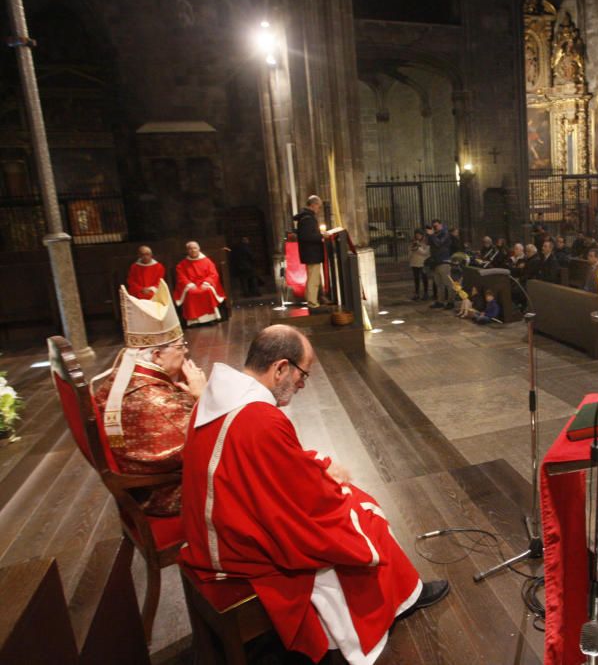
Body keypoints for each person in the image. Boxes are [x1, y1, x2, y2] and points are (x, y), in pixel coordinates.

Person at [180, 325, 449, 665]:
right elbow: (301, 505)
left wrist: (318, 465)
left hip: (214, 530)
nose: (303, 385)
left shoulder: (219, 397)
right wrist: (335, 489)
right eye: (303, 374)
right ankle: (399, 602)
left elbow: (263, 468)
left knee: (344, 493)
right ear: (280, 368)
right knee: (361, 513)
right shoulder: (260, 418)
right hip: (241, 553)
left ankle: (407, 593)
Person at [93, 280, 206, 516]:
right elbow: (202, 447)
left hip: (148, 480)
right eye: (180, 346)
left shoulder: (126, 373)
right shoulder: (153, 401)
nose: (186, 351)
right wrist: (202, 397)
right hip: (167, 491)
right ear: (156, 355)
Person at [174, 241, 226, 325]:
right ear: (187, 251)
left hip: (205, 284)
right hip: (191, 286)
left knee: (207, 291)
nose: (193, 250)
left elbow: (213, 274)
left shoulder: (207, 261)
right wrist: (189, 285)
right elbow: (181, 277)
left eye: (195, 248)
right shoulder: (182, 264)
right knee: (191, 293)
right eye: (190, 249)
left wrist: (207, 283)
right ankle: (194, 321)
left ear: (199, 249)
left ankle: (211, 318)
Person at [294, 195, 325, 308]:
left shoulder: (306, 217)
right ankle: (312, 303)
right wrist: (321, 237)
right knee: (313, 279)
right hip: (312, 253)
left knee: (312, 277)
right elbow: (307, 236)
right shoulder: (307, 218)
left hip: (310, 252)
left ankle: (310, 298)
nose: (319, 209)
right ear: (313, 205)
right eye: (319, 207)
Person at [427, 220, 454, 309]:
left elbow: (439, 243)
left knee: (448, 283)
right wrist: (430, 235)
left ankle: (451, 302)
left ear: (441, 225)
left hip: (444, 261)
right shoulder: (435, 235)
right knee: (439, 284)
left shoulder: (445, 233)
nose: (435, 228)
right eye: (433, 226)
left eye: (436, 226)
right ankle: (440, 301)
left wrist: (431, 235)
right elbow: (429, 244)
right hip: (436, 262)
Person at [409, 230, 430, 301]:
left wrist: (418, 248)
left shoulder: (425, 243)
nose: (417, 236)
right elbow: (409, 254)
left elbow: (426, 253)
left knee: (424, 278)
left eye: (419, 235)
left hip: (423, 263)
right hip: (414, 263)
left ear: (422, 235)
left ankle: (426, 293)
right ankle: (417, 294)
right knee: (416, 279)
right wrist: (412, 248)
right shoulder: (413, 243)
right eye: (416, 235)